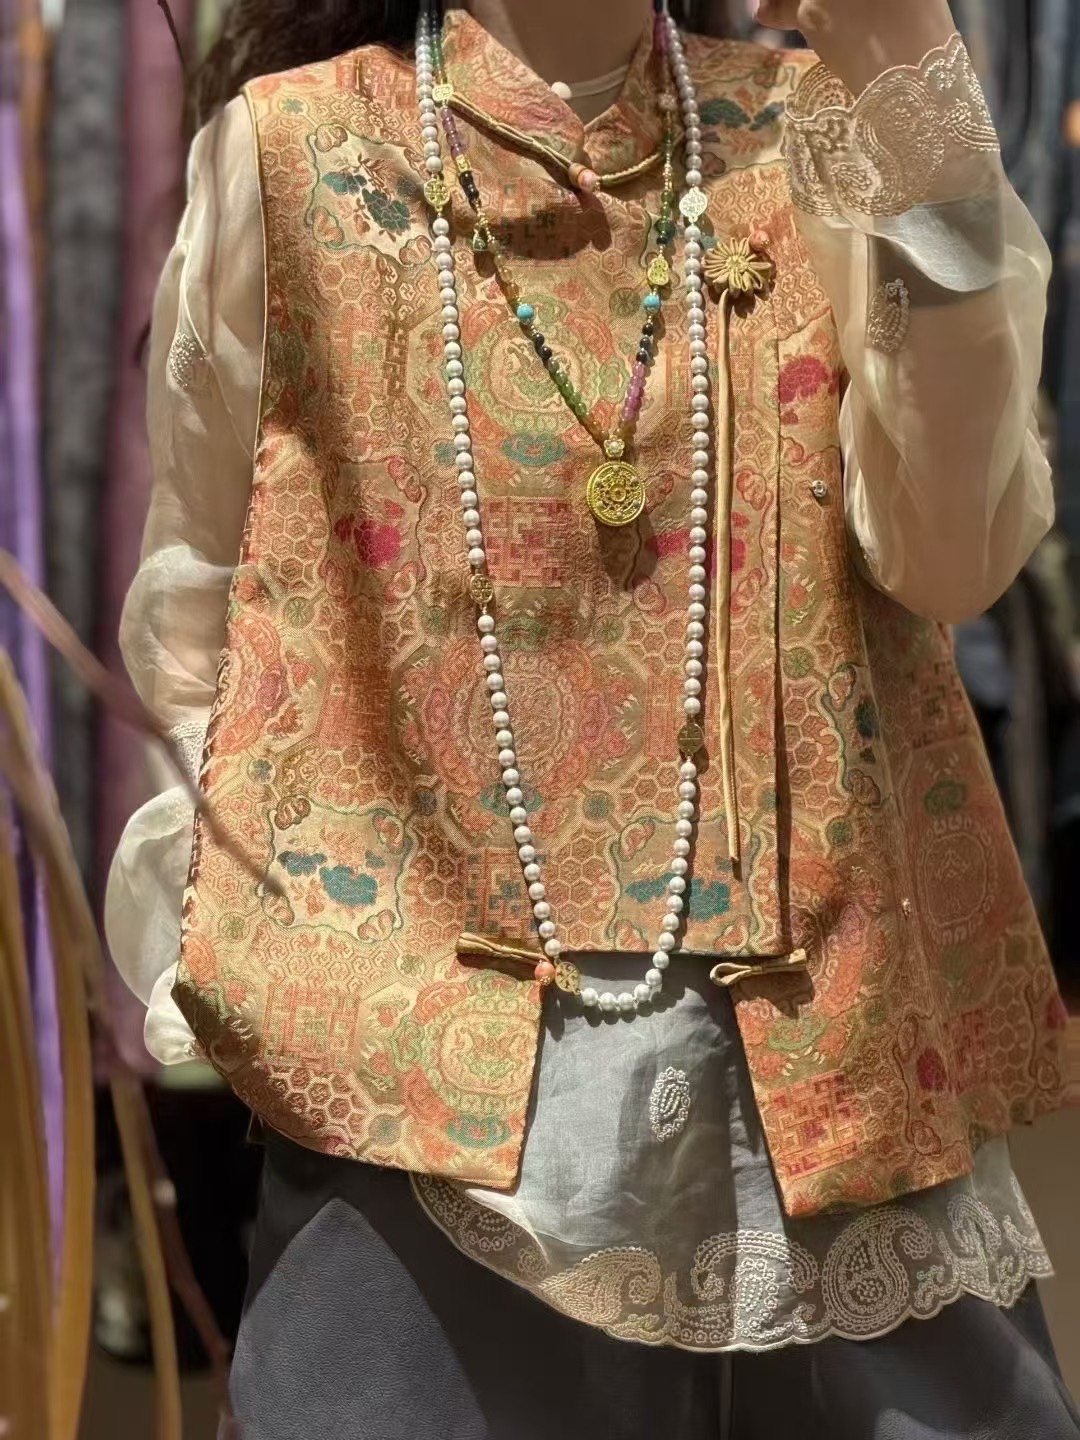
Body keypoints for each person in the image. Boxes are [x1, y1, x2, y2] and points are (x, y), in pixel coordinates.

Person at [106, 0, 1080, 1434]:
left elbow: (955, 553)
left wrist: (911, 95)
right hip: (413, 1116)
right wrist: (299, 958)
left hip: (827, 1089)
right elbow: (199, 621)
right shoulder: (291, 153)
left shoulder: (814, 133)